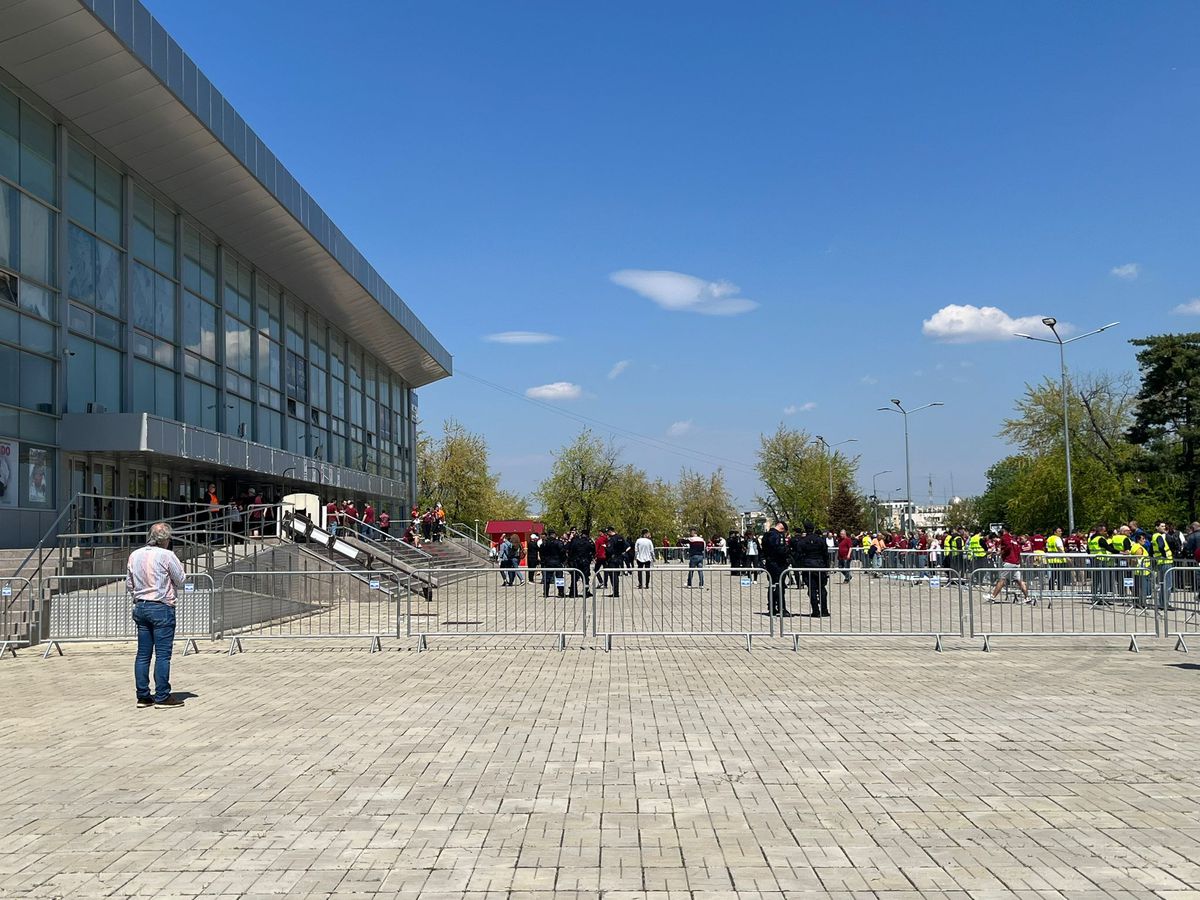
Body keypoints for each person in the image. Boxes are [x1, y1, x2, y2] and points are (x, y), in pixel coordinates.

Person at [128, 522, 186, 709]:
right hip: (161, 606)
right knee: (162, 655)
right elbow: (181, 580)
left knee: (143, 654)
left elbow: (129, 584)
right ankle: (162, 695)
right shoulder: (167, 555)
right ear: (166, 539)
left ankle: (143, 696)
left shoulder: (135, 555)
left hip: (141, 606)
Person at [794, 521, 830, 617]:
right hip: (820, 566)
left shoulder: (802, 541)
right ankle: (824, 610)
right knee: (822, 588)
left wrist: (800, 566)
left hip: (808, 566)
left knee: (812, 589)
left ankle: (815, 610)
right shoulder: (820, 540)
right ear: (813, 529)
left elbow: (798, 555)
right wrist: (827, 568)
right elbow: (826, 554)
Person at [990, 528, 1030, 603]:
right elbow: (1018, 550)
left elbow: (1007, 547)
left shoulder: (1005, 537)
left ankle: (993, 597)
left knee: (1002, 579)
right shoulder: (1013, 539)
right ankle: (1027, 597)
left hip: (1009, 561)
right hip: (1016, 562)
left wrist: (1001, 552)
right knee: (1019, 580)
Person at [761, 520, 792, 616]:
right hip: (778, 564)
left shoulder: (766, 535)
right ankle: (782, 608)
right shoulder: (778, 536)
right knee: (779, 586)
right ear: (782, 529)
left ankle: (772, 607)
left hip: (770, 563)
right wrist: (788, 550)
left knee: (772, 585)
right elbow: (780, 550)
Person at [567, 529, 595, 597]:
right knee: (585, 578)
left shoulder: (575, 540)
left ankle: (573, 593)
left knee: (574, 577)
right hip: (585, 562)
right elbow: (593, 550)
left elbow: (570, 549)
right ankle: (586, 592)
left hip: (576, 561)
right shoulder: (588, 541)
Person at [539, 529, 566, 598]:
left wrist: (543, 561)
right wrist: (563, 560)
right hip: (557, 562)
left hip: (548, 563)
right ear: (554, 534)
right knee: (559, 578)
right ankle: (561, 592)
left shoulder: (544, 543)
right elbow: (562, 552)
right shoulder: (558, 542)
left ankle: (546, 593)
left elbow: (541, 554)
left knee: (547, 578)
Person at [605, 527, 628, 598]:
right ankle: (616, 591)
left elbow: (609, 550)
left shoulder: (611, 539)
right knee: (616, 576)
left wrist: (605, 547)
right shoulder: (620, 537)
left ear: (610, 531)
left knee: (613, 576)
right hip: (619, 559)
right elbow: (626, 547)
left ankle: (615, 592)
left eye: (607, 532)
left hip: (612, 559)